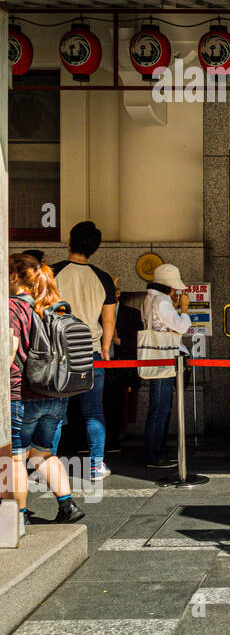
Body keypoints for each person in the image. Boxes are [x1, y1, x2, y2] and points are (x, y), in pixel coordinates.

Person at [9, 254, 85, 525]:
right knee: (43, 453)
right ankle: (68, 505)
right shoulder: (53, 307)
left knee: (15, 458)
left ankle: (17, 516)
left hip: (22, 394)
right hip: (55, 394)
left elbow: (8, 353)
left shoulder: (13, 308)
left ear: (14, 277)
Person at [51, 220, 116, 481]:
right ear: (94, 249)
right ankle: (96, 465)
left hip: (59, 351)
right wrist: (105, 347)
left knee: (55, 412)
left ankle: (48, 464)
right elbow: (108, 320)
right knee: (93, 412)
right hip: (91, 352)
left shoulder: (53, 272)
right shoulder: (103, 278)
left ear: (69, 242)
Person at [141, 263, 192, 469]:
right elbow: (181, 327)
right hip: (164, 356)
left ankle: (157, 451)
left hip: (155, 355)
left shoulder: (149, 299)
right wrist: (185, 310)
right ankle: (155, 454)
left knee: (159, 406)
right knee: (161, 407)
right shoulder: (162, 301)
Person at [104, 277, 142, 455]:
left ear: (118, 293)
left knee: (116, 406)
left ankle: (113, 440)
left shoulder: (132, 314)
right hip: (99, 366)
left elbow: (138, 344)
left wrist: (116, 340)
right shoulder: (95, 313)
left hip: (122, 366)